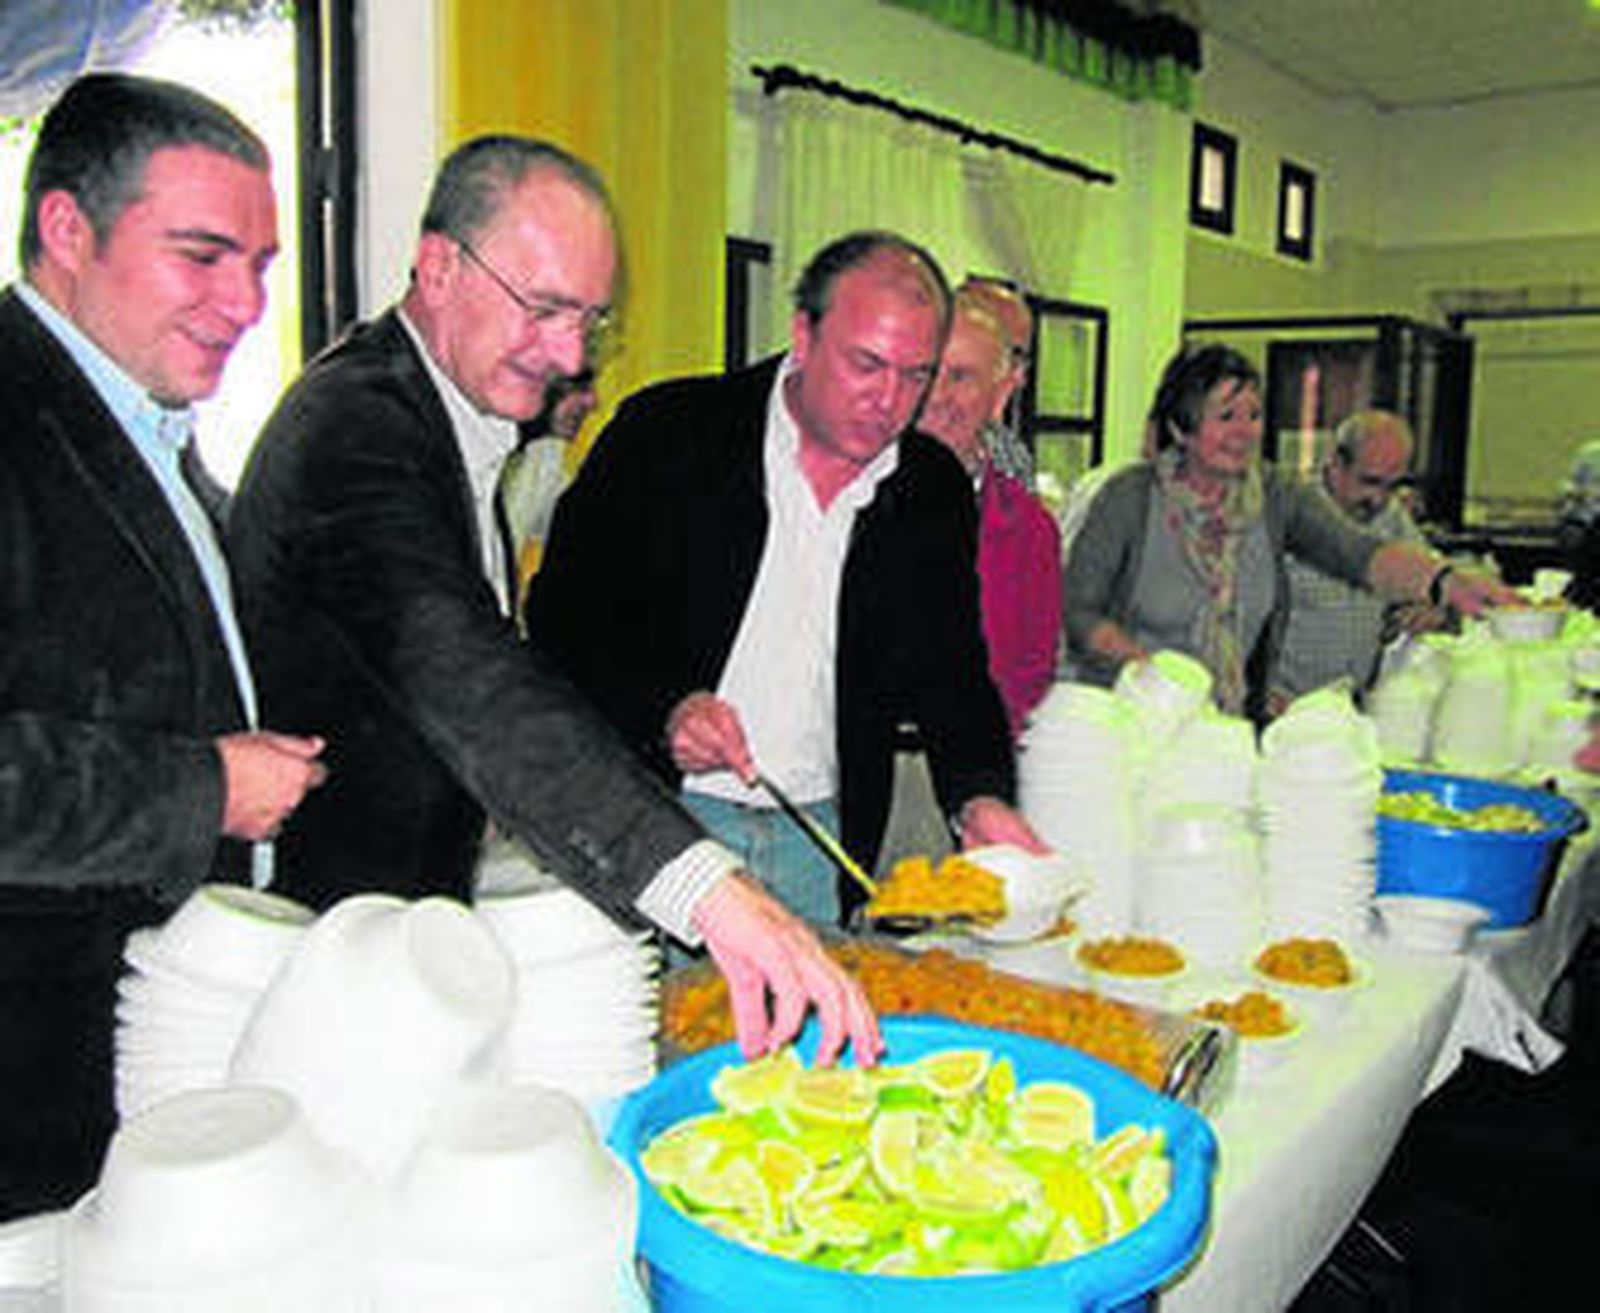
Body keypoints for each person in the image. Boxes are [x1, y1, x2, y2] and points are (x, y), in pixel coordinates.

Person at [227, 136, 878, 1067]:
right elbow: (466, 672)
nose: (570, 354)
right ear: (439, 266)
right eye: (543, 308)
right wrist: (708, 887)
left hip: (399, 923)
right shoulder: (356, 428)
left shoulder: (449, 415)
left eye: (589, 320)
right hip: (326, 947)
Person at [0, 73, 327, 1220]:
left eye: (262, 265)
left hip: (153, 1052)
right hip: (33, 1093)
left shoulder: (145, 421)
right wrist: (205, 788)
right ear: (67, 230)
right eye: (202, 256)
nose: (244, 303)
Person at [527, 231, 1042, 931]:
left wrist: (979, 796)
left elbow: (951, 670)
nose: (889, 400)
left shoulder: (930, 488)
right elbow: (563, 616)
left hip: (820, 837)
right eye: (867, 364)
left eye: (915, 374)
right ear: (804, 335)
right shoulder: (670, 434)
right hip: (663, 818)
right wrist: (665, 708)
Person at [1062, 344, 1518, 719]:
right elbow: (1079, 612)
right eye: (1226, 416)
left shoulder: (1274, 495)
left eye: (1254, 415)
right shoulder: (1128, 497)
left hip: (1224, 727)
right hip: (1126, 718)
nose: (1245, 431)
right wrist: (1155, 676)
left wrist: (1445, 582)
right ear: (1182, 427)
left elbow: (1359, 553)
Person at [918, 286, 1061, 736]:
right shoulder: (842, 496)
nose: (936, 395)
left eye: (960, 376)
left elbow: (1031, 679)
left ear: (1001, 394)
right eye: (926, 372)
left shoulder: (1031, 530)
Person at [1269, 410, 1445, 710]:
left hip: (1354, 708)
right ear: (1336, 462)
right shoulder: (1290, 513)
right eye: (1369, 481)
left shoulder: (1392, 518)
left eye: (1392, 486)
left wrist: (1428, 609)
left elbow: (1429, 584)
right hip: (1286, 706)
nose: (1379, 499)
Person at [960, 276, 1036, 487]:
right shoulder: (893, 443)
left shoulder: (1010, 454)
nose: (1020, 379)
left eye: (1021, 360)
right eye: (1011, 356)